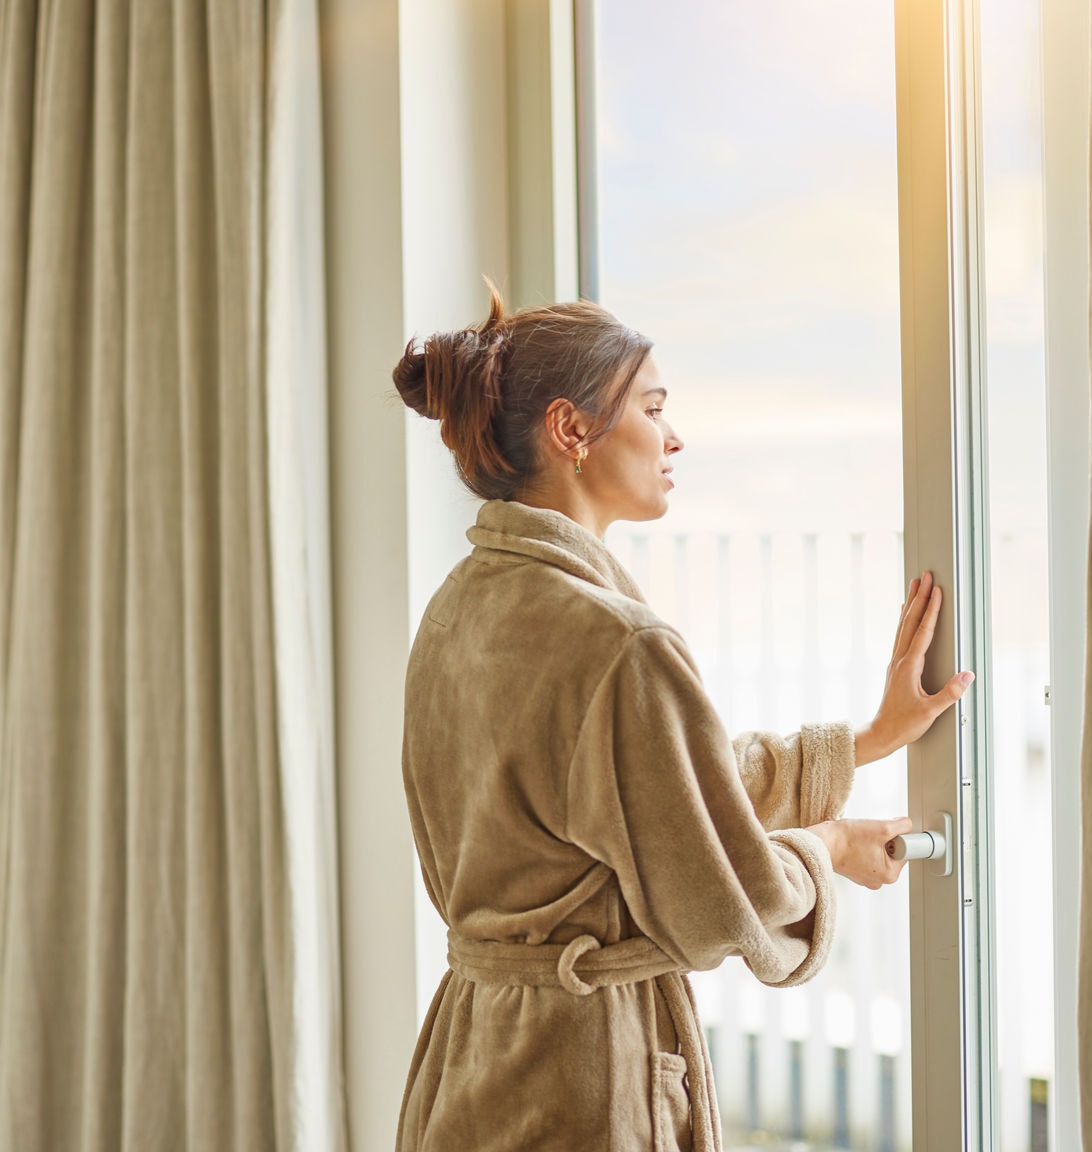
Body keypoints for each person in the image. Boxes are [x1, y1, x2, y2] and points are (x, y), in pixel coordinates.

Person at [391, 284, 972, 1152]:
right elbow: (717, 896)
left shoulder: (458, 611)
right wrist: (833, 848)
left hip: (470, 1068)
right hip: (581, 1086)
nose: (675, 436)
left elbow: (656, 793)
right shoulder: (618, 644)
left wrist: (868, 739)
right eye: (654, 408)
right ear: (570, 430)